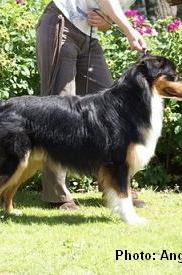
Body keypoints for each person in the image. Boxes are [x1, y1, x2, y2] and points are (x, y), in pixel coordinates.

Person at [35, 0, 147, 210]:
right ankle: (57, 194)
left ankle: (115, 186)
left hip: (89, 35)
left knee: (110, 109)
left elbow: (106, 13)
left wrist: (106, 21)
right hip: (61, 23)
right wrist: (129, 30)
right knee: (60, 109)